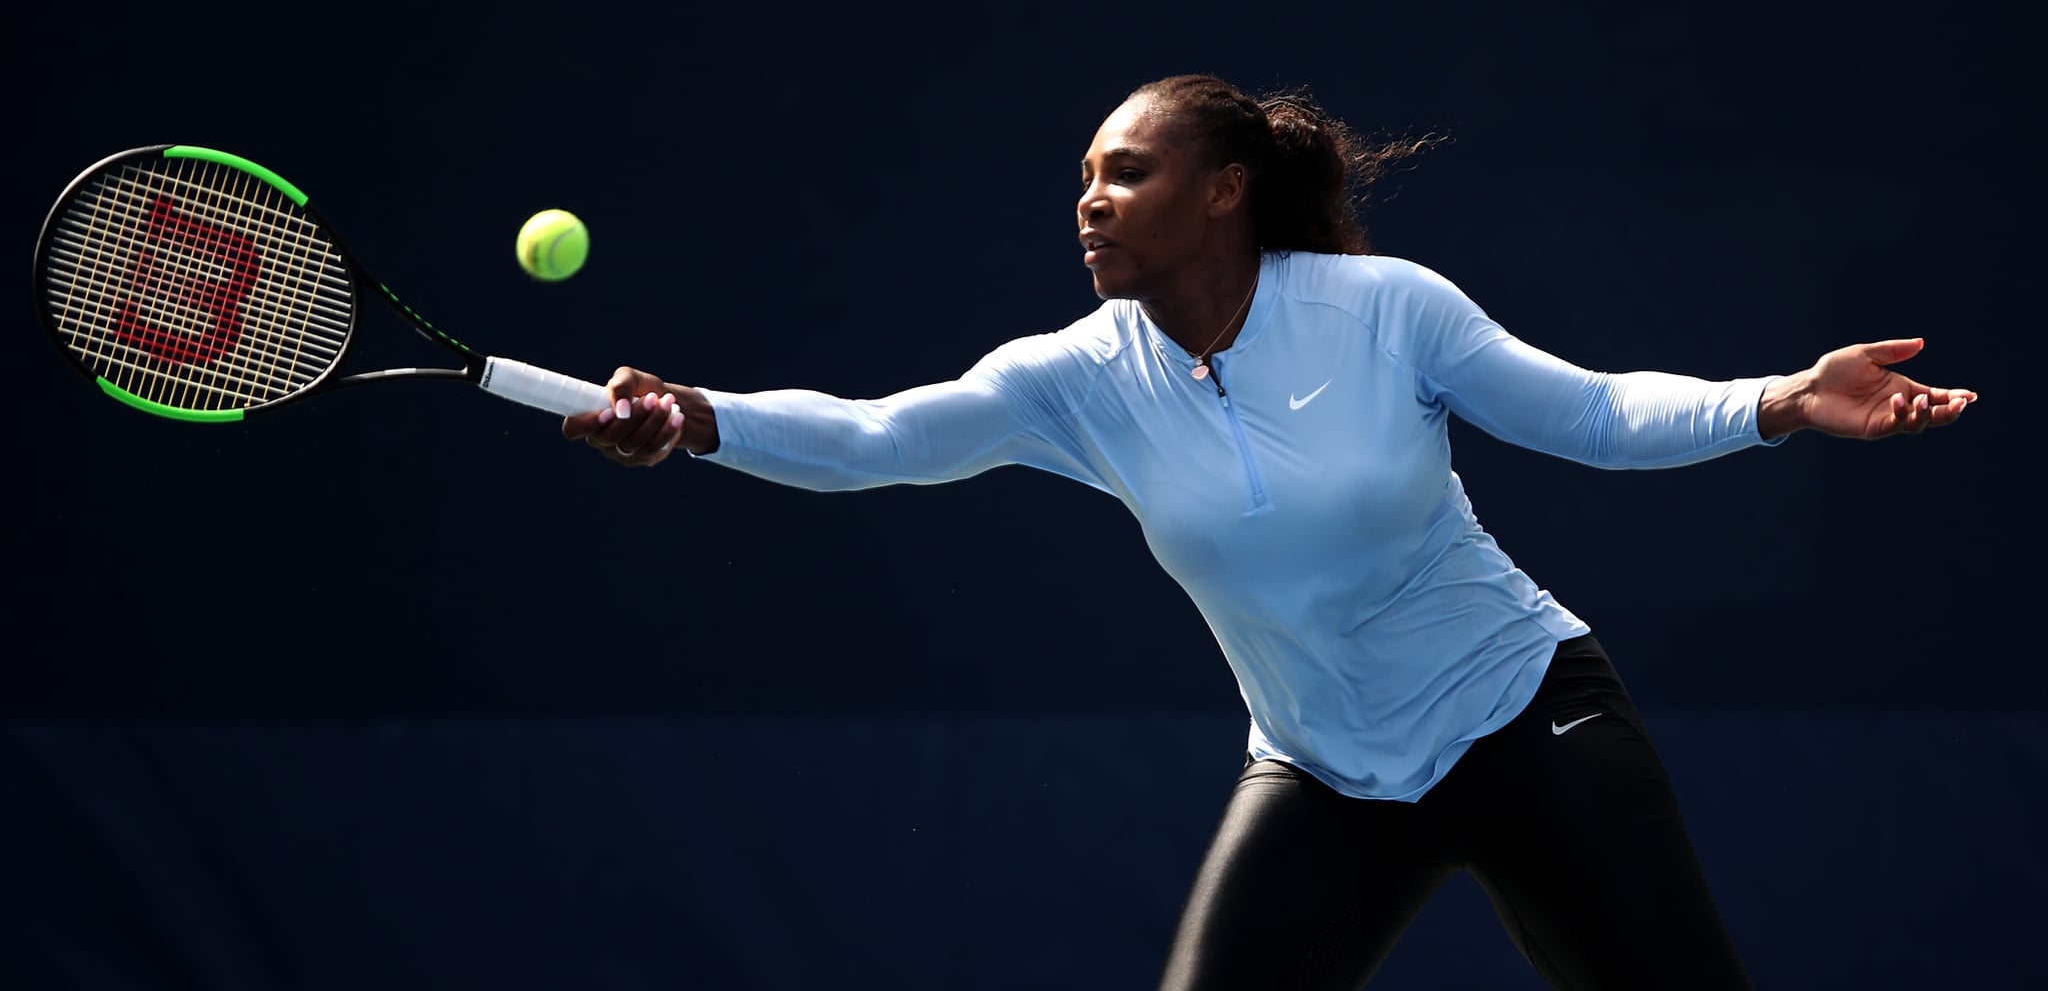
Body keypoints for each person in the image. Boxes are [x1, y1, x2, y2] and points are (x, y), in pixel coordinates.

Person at [561, 74, 1974, 990]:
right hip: (1320, 773)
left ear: (1224, 189)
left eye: (1126, 172)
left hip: (1528, 723)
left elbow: (1596, 413)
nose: (1090, 201)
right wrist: (699, 419)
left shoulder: (1385, 310)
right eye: (1082, 181)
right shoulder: (1073, 377)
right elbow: (879, 440)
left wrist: (1783, 399)